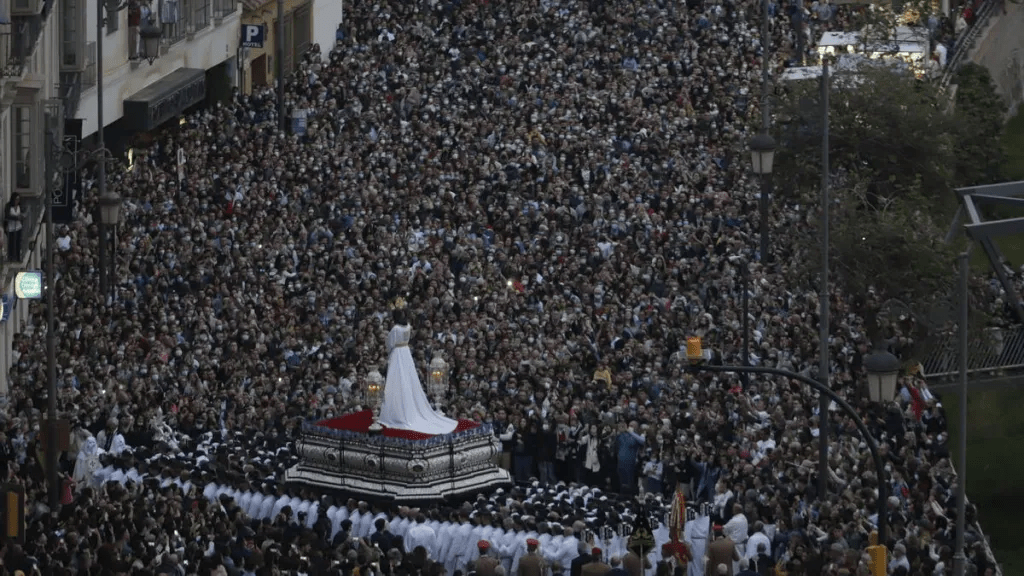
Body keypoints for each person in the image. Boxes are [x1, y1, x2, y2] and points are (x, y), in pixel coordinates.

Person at [378, 304, 458, 435]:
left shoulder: (395, 329)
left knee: (397, 379)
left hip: (397, 353)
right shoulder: (408, 326)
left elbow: (390, 344)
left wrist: (388, 352)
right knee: (407, 378)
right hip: (406, 352)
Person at [5, 194, 22, 262]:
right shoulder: (8, 206)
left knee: (18, 243)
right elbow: (7, 216)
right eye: (16, 199)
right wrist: (15, 218)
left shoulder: (19, 206)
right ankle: (11, 257)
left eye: (18, 199)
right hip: (11, 228)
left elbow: (21, 213)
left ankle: (18, 257)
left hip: (18, 227)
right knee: (11, 243)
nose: (17, 201)